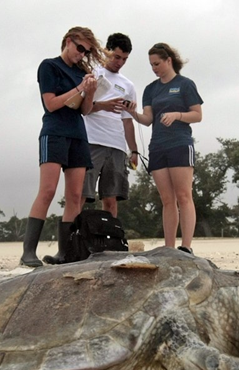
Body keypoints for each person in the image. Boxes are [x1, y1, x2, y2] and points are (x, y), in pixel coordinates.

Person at [21, 27, 105, 267]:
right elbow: (51, 104)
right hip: (55, 132)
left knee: (75, 196)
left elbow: (85, 110)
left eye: (86, 51)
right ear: (68, 42)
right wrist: (79, 88)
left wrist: (89, 92)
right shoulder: (49, 66)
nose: (82, 54)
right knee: (47, 190)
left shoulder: (82, 71)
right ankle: (28, 252)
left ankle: (65, 252)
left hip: (78, 134)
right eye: (80, 48)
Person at [125, 43, 203, 254]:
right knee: (167, 199)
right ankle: (169, 247)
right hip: (157, 146)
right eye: (151, 65)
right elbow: (148, 119)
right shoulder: (151, 89)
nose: (154, 68)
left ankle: (186, 246)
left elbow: (197, 115)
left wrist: (177, 115)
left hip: (179, 143)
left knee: (184, 195)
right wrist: (133, 113)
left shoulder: (185, 85)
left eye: (157, 63)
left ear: (169, 60)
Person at [82, 33, 139, 218]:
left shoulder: (128, 85)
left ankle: (110, 239)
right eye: (117, 57)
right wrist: (102, 106)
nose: (120, 62)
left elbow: (127, 120)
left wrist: (134, 151)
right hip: (92, 140)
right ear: (106, 51)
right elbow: (81, 107)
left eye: (125, 59)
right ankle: (72, 240)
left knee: (110, 199)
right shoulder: (92, 72)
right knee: (81, 194)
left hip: (116, 146)